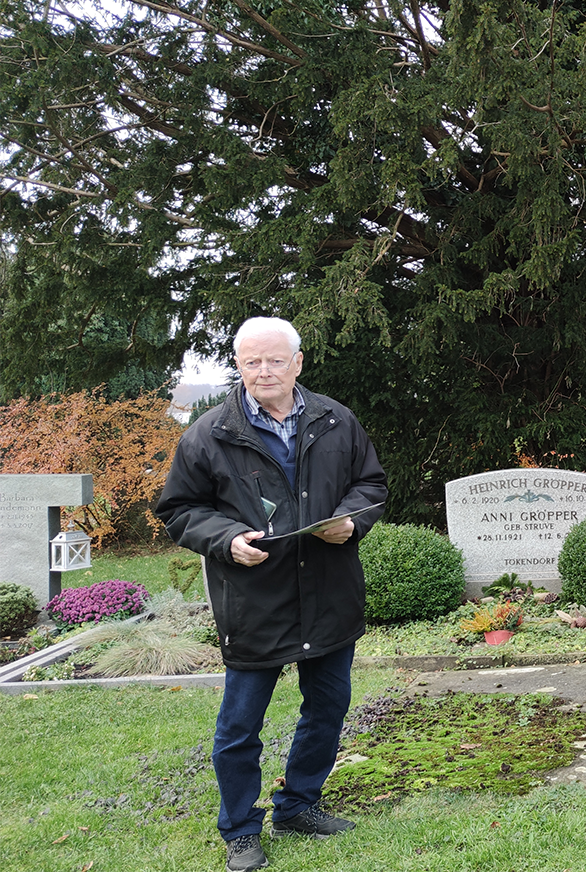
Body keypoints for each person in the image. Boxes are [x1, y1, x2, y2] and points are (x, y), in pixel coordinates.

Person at [156, 317, 387, 872]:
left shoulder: (337, 420)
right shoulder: (209, 433)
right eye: (252, 361)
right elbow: (179, 510)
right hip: (253, 600)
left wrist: (348, 521)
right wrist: (226, 538)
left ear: (297, 363)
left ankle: (299, 805)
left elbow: (371, 485)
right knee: (241, 726)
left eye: (275, 360)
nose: (264, 371)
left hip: (329, 594)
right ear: (238, 365)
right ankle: (240, 830)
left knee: (328, 708)